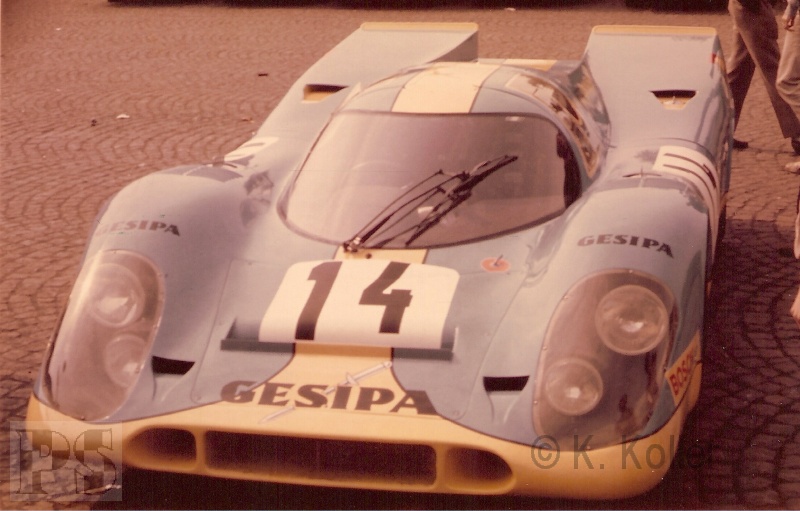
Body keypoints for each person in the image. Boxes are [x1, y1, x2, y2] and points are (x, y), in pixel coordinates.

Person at [727, 0, 800, 153]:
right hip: (753, 7)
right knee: (775, 72)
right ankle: (797, 132)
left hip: (745, 7)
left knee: (738, 71)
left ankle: (720, 132)